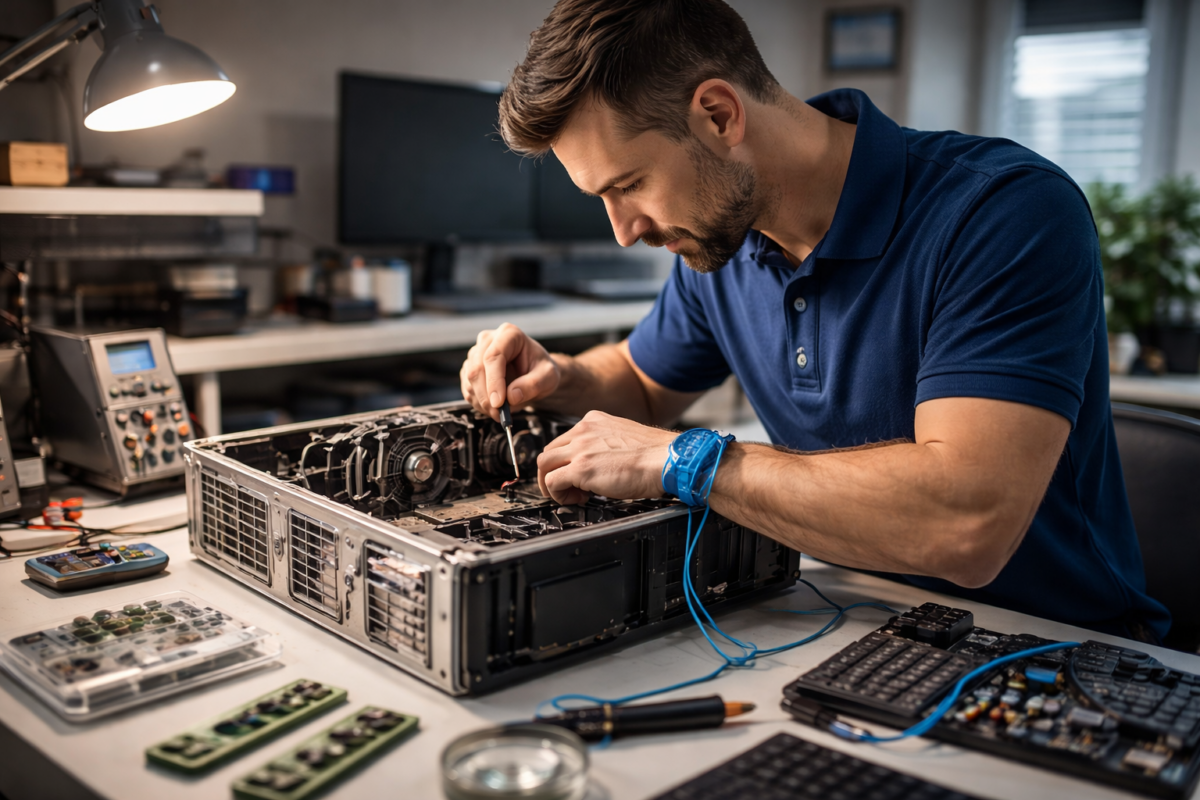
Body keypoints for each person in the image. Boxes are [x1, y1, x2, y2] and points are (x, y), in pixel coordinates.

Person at [459, 0, 1169, 642]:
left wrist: (682, 460)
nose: (622, 231)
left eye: (629, 185)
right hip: (852, 615)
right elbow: (643, 383)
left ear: (717, 115)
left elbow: (967, 523)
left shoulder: (1004, 213)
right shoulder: (722, 243)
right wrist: (560, 377)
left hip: (1059, 646)